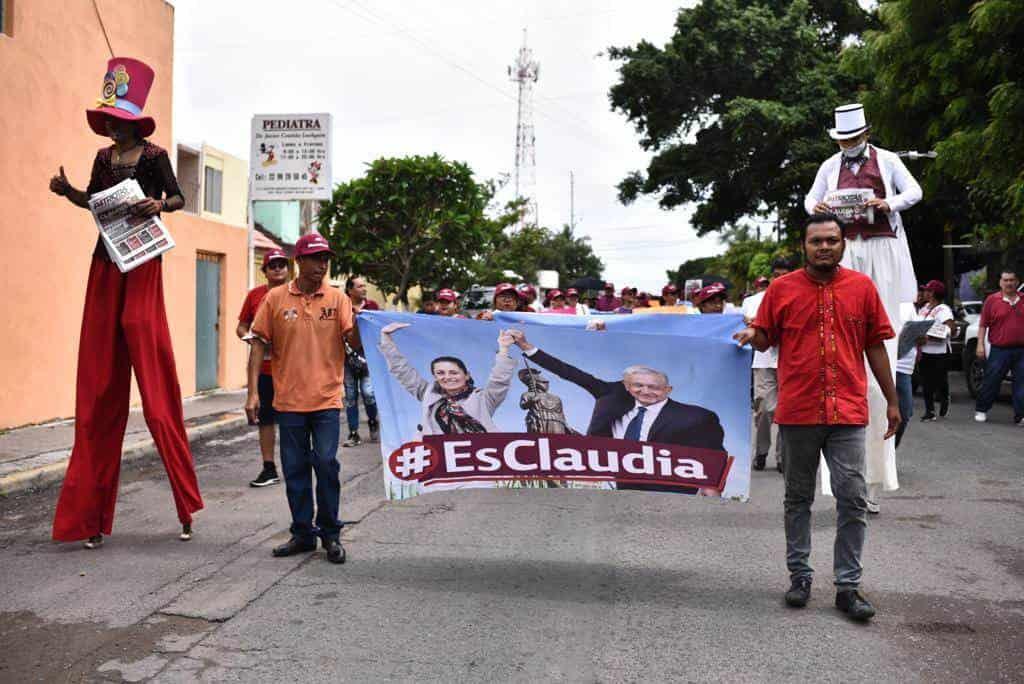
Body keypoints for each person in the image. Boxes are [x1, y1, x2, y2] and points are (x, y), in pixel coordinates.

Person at [48, 57, 203, 548]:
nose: (111, 127)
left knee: (153, 384)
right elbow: (93, 202)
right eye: (107, 120)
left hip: (142, 262)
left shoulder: (155, 156)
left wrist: (158, 205)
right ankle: (89, 519)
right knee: (98, 386)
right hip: (105, 261)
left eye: (117, 120)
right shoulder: (101, 158)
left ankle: (185, 506)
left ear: (134, 122)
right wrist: (66, 191)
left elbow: (178, 199)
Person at [733, 213, 898, 622]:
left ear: (843, 244)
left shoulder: (861, 288)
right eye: (816, 241)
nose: (824, 247)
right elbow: (766, 337)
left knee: (854, 497)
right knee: (797, 499)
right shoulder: (782, 289)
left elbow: (875, 346)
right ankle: (800, 577)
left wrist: (893, 401)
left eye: (832, 240)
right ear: (803, 246)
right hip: (799, 411)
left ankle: (848, 586)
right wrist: (753, 334)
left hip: (847, 411)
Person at [805, 103, 922, 511]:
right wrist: (817, 209)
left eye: (853, 138)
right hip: (848, 248)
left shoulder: (887, 160)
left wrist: (889, 204)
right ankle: (842, 482)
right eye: (842, 140)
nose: (848, 145)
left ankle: (872, 484)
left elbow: (914, 192)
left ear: (866, 134)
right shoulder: (829, 166)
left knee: (878, 354)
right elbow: (810, 201)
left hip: (883, 252)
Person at [246, 233, 354, 564]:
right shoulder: (275, 299)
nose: (322, 264)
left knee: (325, 463)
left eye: (326, 258)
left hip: (326, 400)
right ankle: (303, 533)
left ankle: (330, 534)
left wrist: (366, 325)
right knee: (294, 469)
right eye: (316, 258)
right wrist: (252, 392)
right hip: (288, 401)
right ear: (300, 261)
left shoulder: (338, 300)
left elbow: (356, 342)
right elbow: (258, 343)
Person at [509, 331, 724, 449]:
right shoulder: (609, 393)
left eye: (654, 387)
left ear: (668, 390)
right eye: (638, 385)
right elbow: (567, 371)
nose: (646, 391)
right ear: (627, 386)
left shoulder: (690, 417)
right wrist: (528, 348)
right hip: (605, 466)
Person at [378, 322, 516, 436]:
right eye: (440, 373)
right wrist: (386, 338)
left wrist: (503, 349)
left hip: (479, 455)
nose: (447, 377)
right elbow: (402, 370)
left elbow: (500, 379)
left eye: (453, 372)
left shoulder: (484, 398)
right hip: (437, 457)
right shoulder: (428, 393)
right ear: (435, 377)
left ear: (466, 375)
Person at [237, 249, 290, 487]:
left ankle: (295, 465)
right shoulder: (255, 295)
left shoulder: (296, 293)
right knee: (266, 420)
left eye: (281, 264)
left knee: (293, 419)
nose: (277, 268)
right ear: (265, 271)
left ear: (288, 269)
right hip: (263, 369)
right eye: (272, 265)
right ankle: (269, 468)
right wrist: (250, 338)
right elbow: (241, 327)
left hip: (291, 370)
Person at [741, 257, 795, 472]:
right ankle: (761, 451)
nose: (780, 278)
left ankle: (783, 457)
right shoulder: (753, 301)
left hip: (791, 361)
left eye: (785, 274)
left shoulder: (801, 296)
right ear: (772, 276)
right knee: (765, 407)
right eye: (776, 274)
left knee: (788, 411)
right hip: (763, 360)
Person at [974, 268, 1024, 425]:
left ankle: (1020, 415)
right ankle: (982, 409)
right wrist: (980, 345)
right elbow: (983, 325)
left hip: (1021, 350)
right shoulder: (992, 300)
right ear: (1000, 283)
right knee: (991, 380)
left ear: (1017, 282)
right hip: (999, 349)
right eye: (1005, 280)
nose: (1009, 283)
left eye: (1011, 280)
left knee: (1021, 383)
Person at [342, 276, 380, 447]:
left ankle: (373, 420)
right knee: (350, 396)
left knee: (369, 393)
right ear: (350, 290)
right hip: (347, 358)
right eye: (359, 286)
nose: (364, 289)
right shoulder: (342, 306)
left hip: (368, 358)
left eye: (365, 286)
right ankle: (353, 433)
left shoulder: (372, 307)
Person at [917, 280, 955, 421]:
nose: (924, 293)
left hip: (940, 352)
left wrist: (936, 335)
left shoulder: (943, 309)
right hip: (925, 351)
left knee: (939, 380)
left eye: (927, 290)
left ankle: (945, 398)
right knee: (926, 381)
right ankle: (930, 411)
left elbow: (951, 328)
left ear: (933, 293)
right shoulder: (924, 308)